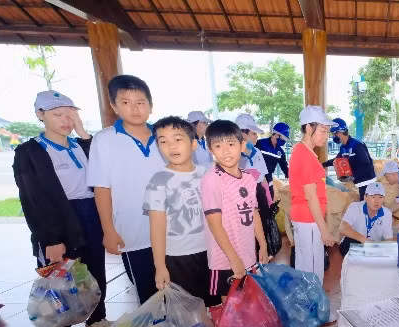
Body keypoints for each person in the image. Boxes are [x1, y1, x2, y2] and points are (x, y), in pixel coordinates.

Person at [13, 90, 111, 327]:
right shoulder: (30, 151)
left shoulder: (79, 146)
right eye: (58, 114)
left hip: (89, 211)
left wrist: (83, 133)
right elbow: (33, 199)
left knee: (93, 268)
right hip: (58, 217)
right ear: (40, 115)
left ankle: (96, 318)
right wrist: (51, 238)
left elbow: (102, 167)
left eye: (71, 114)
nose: (66, 120)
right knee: (58, 276)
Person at [87, 74, 165, 304]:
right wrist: (108, 230)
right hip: (134, 233)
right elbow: (102, 189)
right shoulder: (105, 140)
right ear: (114, 106)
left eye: (140, 102)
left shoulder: (164, 137)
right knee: (148, 294)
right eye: (125, 102)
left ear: (150, 105)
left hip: (172, 231)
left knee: (174, 288)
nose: (134, 108)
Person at [143, 116, 219, 307]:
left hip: (211, 251)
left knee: (213, 305)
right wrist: (160, 266)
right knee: (186, 311)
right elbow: (157, 227)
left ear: (193, 144)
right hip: (178, 257)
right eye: (163, 141)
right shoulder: (158, 181)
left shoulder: (208, 174)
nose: (172, 146)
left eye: (178, 139)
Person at [201, 120, 269, 302]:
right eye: (218, 145)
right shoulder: (212, 179)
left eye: (231, 144)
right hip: (225, 258)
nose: (225, 151)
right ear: (210, 149)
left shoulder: (248, 177)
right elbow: (214, 224)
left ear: (242, 145)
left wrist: (262, 244)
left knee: (247, 303)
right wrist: (233, 259)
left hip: (247, 252)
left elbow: (254, 213)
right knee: (229, 308)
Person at [289, 106, 337, 283]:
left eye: (328, 132)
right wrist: (324, 230)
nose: (326, 136)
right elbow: (311, 196)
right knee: (311, 270)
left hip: (308, 219)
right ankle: (311, 307)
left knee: (311, 266)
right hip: (308, 219)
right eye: (323, 131)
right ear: (309, 128)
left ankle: (313, 305)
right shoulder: (305, 156)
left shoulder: (305, 152)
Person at [323, 118, 376, 200]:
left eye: (334, 133)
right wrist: (322, 164)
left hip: (367, 183)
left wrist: (352, 175)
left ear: (340, 132)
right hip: (358, 183)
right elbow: (336, 160)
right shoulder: (343, 147)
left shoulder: (357, 145)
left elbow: (366, 164)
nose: (334, 136)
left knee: (367, 208)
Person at [338, 182, 394, 256]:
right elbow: (343, 228)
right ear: (365, 197)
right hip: (354, 242)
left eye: (380, 197)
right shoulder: (355, 207)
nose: (377, 201)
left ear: (384, 199)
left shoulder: (387, 213)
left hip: (373, 247)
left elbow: (389, 239)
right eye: (373, 197)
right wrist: (364, 240)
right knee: (352, 250)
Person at [235, 113, 272, 204]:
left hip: (259, 194)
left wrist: (269, 201)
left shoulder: (257, 152)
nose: (256, 136)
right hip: (242, 197)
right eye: (254, 133)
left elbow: (263, 180)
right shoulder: (233, 155)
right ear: (243, 135)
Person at [256, 122, 290, 198]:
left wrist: (293, 177)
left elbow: (285, 168)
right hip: (257, 178)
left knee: (270, 199)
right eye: (283, 138)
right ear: (277, 135)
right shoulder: (260, 144)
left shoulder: (280, 152)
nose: (284, 141)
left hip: (269, 178)